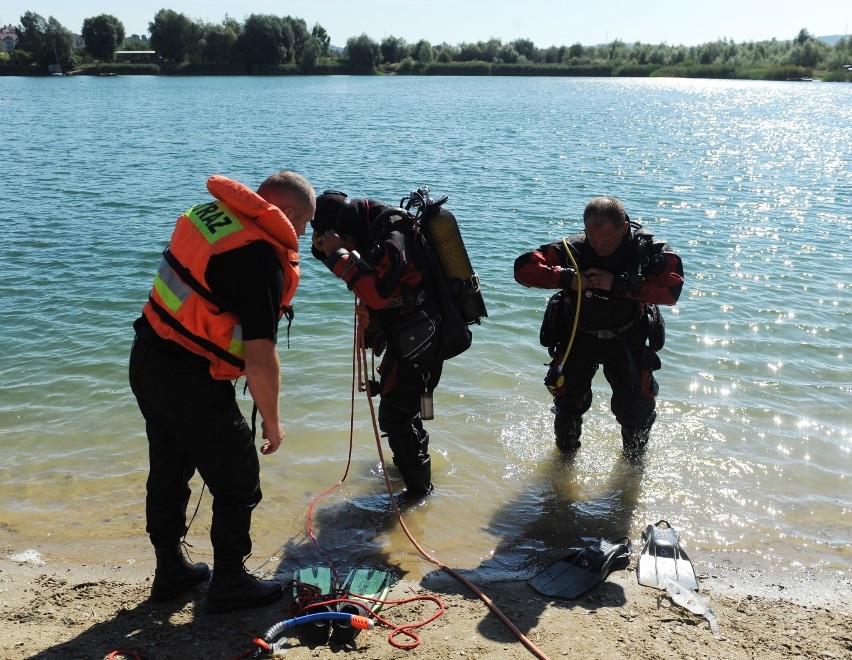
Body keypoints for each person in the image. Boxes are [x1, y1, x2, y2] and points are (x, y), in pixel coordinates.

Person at [129, 171, 316, 612]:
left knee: (169, 469)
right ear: (286, 212)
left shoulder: (213, 216)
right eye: (304, 223)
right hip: (189, 380)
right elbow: (260, 357)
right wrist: (272, 422)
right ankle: (230, 583)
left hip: (148, 359)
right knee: (239, 482)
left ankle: (170, 573)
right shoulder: (261, 261)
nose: (303, 234)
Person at [514, 196, 684, 456]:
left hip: (627, 337)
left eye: (606, 239)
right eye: (593, 239)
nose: (599, 245)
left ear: (624, 228)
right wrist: (567, 278)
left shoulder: (646, 250)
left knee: (637, 412)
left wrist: (618, 284)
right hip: (579, 336)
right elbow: (523, 269)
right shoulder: (574, 249)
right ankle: (564, 468)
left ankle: (631, 471)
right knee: (567, 406)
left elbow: (671, 290)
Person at [310, 190, 449, 503]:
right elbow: (366, 270)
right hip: (411, 332)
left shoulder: (390, 236)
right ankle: (414, 467)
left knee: (395, 416)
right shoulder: (371, 224)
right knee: (405, 407)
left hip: (420, 337)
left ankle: (418, 492)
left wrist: (337, 256)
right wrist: (328, 251)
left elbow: (377, 294)